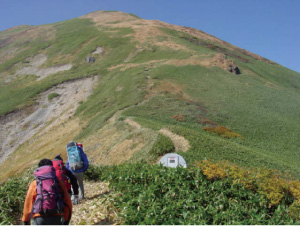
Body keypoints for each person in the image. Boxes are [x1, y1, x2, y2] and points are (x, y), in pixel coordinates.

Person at [22, 159, 72, 225]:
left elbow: (28, 203)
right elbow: (67, 202)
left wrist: (25, 220)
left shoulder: (34, 183)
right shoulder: (59, 183)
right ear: (52, 167)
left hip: (39, 218)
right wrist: (66, 219)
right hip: (56, 216)